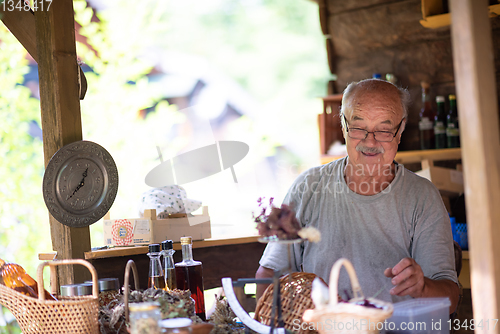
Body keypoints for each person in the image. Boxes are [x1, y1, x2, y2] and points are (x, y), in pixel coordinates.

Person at [256, 79, 459, 313]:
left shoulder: (423, 197)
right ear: (343, 126)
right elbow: (269, 274)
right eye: (358, 127)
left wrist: (422, 287)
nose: (370, 142)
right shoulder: (307, 187)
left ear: (400, 131)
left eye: (384, 130)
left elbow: (450, 298)